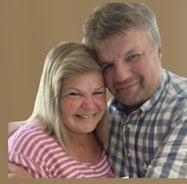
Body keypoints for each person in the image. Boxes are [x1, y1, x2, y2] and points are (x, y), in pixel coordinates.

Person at [8, 2, 187, 178]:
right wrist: (28, 126)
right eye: (107, 65)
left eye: (133, 56)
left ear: (159, 50)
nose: (121, 76)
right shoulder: (106, 114)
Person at [8, 41, 115, 178]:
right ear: (52, 97)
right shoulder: (32, 146)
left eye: (97, 92)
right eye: (74, 94)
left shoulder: (106, 133)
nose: (89, 105)